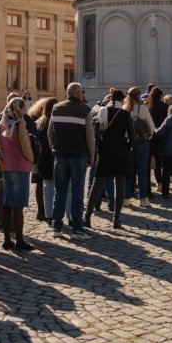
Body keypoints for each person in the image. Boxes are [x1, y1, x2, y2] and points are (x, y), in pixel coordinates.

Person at [49, 82, 95, 237]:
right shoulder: (84, 110)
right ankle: (77, 227)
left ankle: (56, 226)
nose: (83, 94)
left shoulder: (56, 108)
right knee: (77, 192)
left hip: (60, 155)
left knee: (59, 191)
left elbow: (50, 133)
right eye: (82, 92)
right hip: (78, 155)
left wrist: (54, 148)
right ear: (77, 94)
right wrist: (92, 154)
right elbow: (90, 136)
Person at [86, 88, 133, 229]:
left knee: (97, 185)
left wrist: (98, 150)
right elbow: (132, 136)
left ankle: (87, 217)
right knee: (120, 187)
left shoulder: (102, 111)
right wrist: (128, 148)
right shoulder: (125, 114)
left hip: (105, 152)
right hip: (120, 152)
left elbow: (97, 133)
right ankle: (116, 219)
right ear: (122, 99)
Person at [0, 96, 37, 250]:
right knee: (18, 206)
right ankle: (19, 240)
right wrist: (32, 159)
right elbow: (25, 147)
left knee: (7, 204)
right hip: (20, 167)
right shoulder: (19, 124)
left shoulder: (2, 123)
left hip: (7, 167)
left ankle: (7, 239)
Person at [29, 97, 58, 222]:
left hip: (39, 157)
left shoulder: (38, 122)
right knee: (50, 186)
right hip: (50, 157)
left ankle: (41, 211)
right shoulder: (53, 122)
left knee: (40, 186)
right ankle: (49, 212)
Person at [124, 87, 155, 205]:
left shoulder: (125, 108)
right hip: (142, 142)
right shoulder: (142, 108)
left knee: (129, 171)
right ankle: (142, 198)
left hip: (128, 143)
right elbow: (151, 126)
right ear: (138, 95)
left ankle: (126, 198)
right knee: (142, 171)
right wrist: (148, 137)